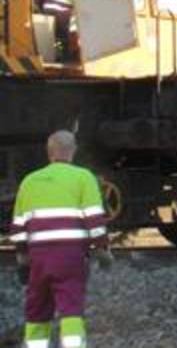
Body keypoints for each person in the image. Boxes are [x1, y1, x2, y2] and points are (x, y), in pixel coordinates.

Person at [11, 130, 111, 348]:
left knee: (36, 310)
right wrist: (103, 251)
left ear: (49, 153)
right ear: (73, 151)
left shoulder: (29, 181)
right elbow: (95, 220)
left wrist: (22, 259)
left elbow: (18, 227)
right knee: (71, 308)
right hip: (71, 257)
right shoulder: (84, 177)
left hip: (38, 259)